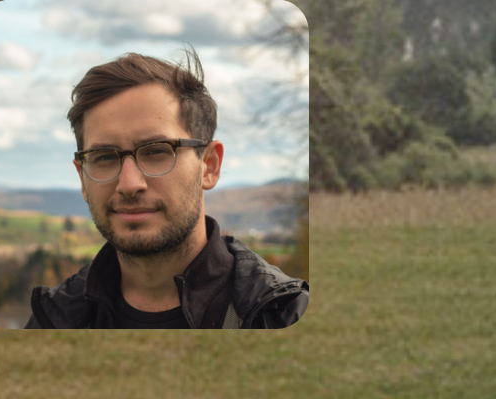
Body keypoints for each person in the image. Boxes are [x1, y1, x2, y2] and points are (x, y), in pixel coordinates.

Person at [26, 49, 308, 329]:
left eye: (157, 151)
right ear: (82, 178)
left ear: (209, 165)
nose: (129, 184)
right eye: (104, 157)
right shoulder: (54, 321)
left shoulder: (280, 316)